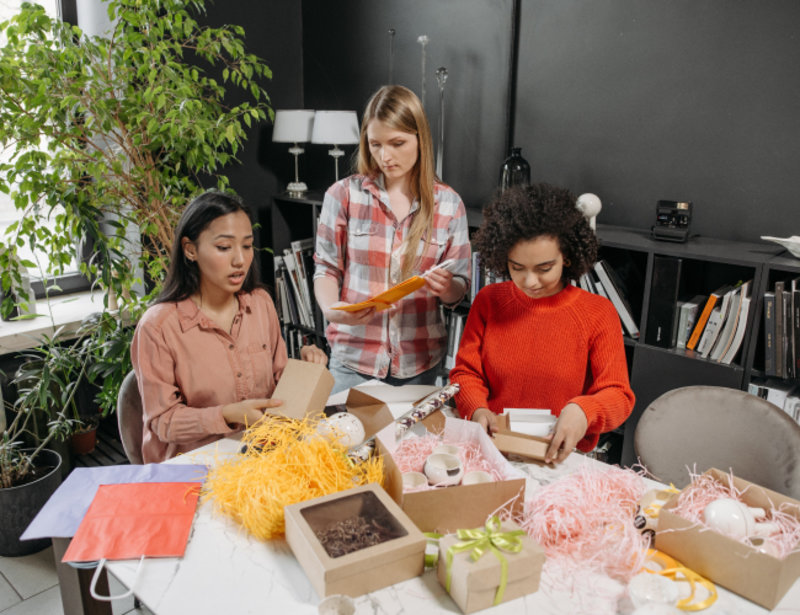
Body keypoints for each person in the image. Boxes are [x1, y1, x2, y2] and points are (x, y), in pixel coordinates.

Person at [131, 191, 327, 463]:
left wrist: (306, 371)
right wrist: (227, 415)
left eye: (247, 246)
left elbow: (279, 388)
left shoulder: (260, 304)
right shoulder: (158, 327)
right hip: (196, 466)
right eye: (224, 248)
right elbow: (163, 422)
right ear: (190, 249)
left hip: (262, 452)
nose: (240, 260)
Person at [449, 183, 635, 464]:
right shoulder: (489, 301)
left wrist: (584, 411)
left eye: (544, 269)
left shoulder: (598, 312)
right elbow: (466, 373)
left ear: (567, 257)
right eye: (517, 268)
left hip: (560, 458)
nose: (530, 282)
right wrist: (476, 409)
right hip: (493, 451)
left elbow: (618, 395)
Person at [314, 85, 471, 393]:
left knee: (411, 444)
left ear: (419, 138)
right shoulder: (344, 195)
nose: (385, 156)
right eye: (375, 145)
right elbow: (326, 268)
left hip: (421, 365)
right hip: (353, 361)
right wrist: (331, 309)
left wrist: (447, 287)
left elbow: (459, 288)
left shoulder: (449, 204)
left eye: (397, 143)